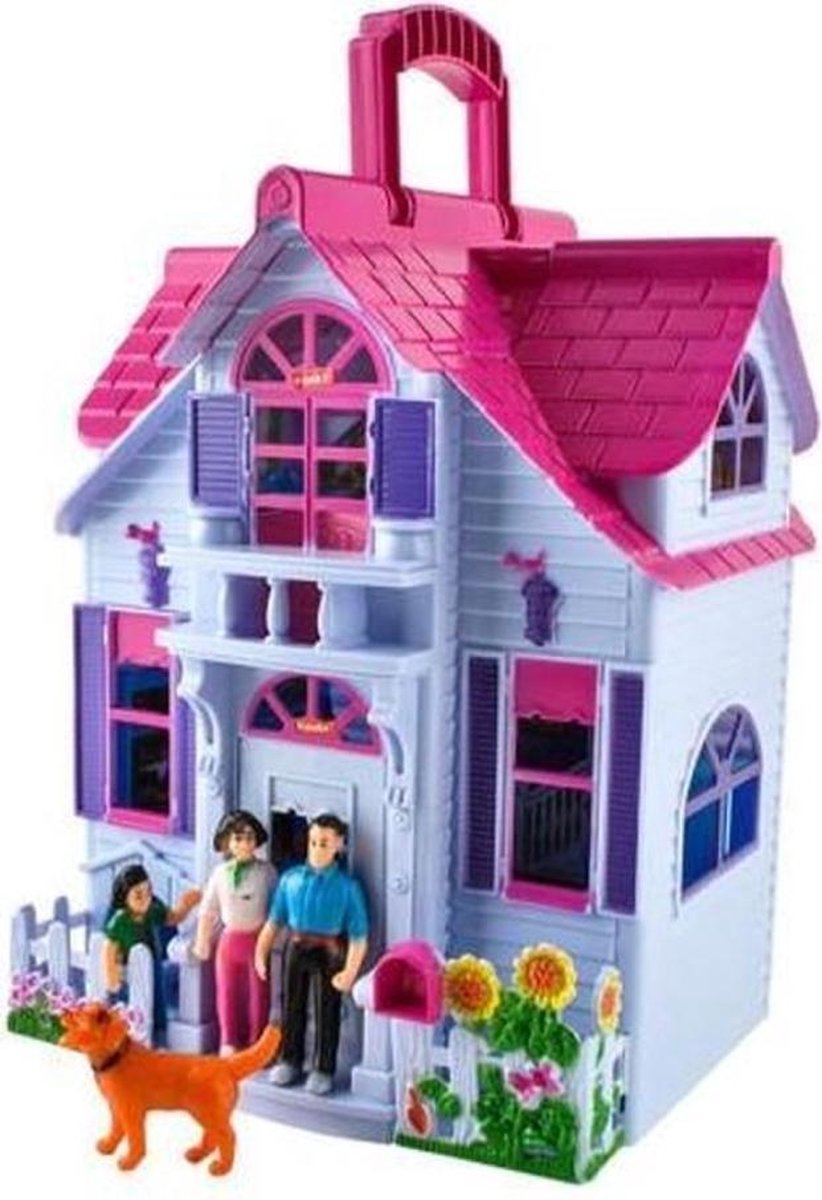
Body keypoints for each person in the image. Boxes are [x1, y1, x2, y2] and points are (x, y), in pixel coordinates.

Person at [254, 813, 368, 1095]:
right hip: (295, 947)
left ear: (339, 845)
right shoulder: (290, 880)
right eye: (313, 842)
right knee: (290, 1005)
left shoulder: (347, 887)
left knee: (327, 1009)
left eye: (324, 843)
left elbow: (359, 936)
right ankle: (289, 1059)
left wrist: (350, 970)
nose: (317, 848)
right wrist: (261, 951)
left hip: (329, 951)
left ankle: (323, 1067)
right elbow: (273, 922)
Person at [193, 810, 275, 1055]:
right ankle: (229, 1039)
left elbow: (277, 908)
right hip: (229, 943)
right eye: (238, 838)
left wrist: (275, 938)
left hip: (257, 942)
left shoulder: (266, 872)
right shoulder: (220, 873)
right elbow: (208, 909)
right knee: (227, 992)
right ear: (227, 841)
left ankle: (257, 1040)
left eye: (249, 838)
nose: (245, 844)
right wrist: (202, 940)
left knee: (258, 994)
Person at [103, 864, 201, 1035]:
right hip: (128, 971)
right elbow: (109, 948)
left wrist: (185, 904)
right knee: (128, 1009)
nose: (145, 899)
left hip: (153, 964)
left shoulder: (151, 911)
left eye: (148, 892)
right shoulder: (120, 921)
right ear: (125, 896)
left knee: (156, 1002)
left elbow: (172, 917)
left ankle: (157, 1031)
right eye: (138, 895)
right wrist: (112, 976)